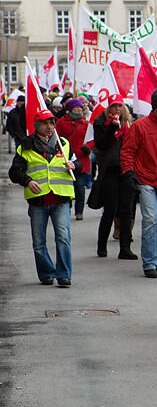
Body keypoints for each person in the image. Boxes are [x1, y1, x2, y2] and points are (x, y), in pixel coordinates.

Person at [8, 109, 75, 286]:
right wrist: (28, 181)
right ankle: (46, 273)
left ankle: (64, 275)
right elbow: (14, 172)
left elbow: (79, 163)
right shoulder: (26, 146)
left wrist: (73, 164)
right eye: (45, 123)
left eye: (52, 123)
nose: (49, 126)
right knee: (39, 242)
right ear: (37, 126)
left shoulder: (63, 144)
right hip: (38, 202)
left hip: (60, 199)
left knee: (63, 238)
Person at [121, 88, 157, 278]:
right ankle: (149, 263)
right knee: (150, 220)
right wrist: (128, 172)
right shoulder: (139, 126)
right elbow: (128, 151)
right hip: (145, 179)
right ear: (154, 106)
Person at [92, 96, 138, 260]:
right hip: (109, 170)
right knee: (110, 210)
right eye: (114, 106)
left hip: (126, 170)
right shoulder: (100, 123)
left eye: (119, 106)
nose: (117, 109)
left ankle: (125, 248)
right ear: (109, 108)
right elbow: (101, 144)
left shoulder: (130, 124)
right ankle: (101, 246)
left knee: (126, 211)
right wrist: (112, 128)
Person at [55, 98, 91, 220]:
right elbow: (57, 139)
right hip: (66, 158)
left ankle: (79, 211)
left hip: (81, 160)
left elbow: (91, 140)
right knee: (67, 185)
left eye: (80, 108)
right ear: (69, 109)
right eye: (76, 108)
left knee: (80, 187)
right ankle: (67, 206)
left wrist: (86, 148)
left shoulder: (85, 124)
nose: (78, 110)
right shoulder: (60, 122)